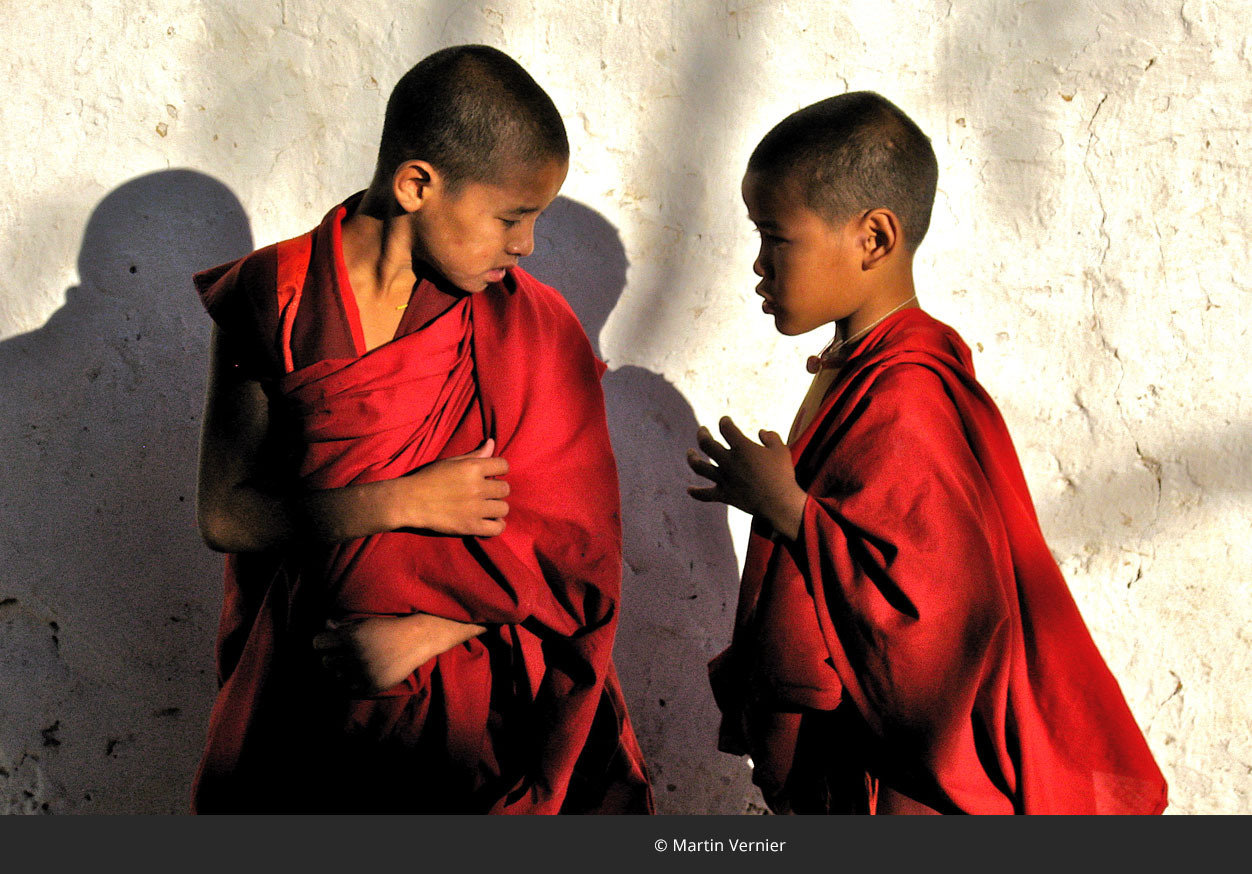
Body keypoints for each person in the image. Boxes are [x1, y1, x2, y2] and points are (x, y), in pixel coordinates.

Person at [191, 45, 652, 814]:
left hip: (476, 718)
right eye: (512, 216)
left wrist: (431, 630)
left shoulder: (532, 329)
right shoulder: (275, 296)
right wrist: (403, 500)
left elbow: (576, 557)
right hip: (309, 694)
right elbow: (225, 513)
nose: (526, 245)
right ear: (416, 185)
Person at [688, 91, 1167, 815]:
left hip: (903, 783)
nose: (758, 265)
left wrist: (784, 506)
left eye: (775, 237)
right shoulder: (858, 369)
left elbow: (930, 618)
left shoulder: (909, 394)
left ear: (874, 238)